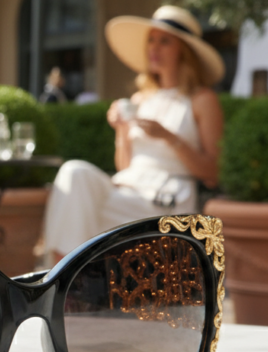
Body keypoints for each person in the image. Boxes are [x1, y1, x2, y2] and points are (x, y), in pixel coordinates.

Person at [44, 5, 225, 263]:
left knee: (78, 210)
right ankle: (61, 274)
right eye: (151, 40)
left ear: (183, 51)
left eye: (164, 41)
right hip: (128, 188)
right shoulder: (140, 99)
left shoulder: (201, 100)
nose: (154, 48)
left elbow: (213, 172)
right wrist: (121, 131)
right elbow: (125, 167)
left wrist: (169, 138)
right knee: (74, 172)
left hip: (167, 198)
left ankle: (64, 277)